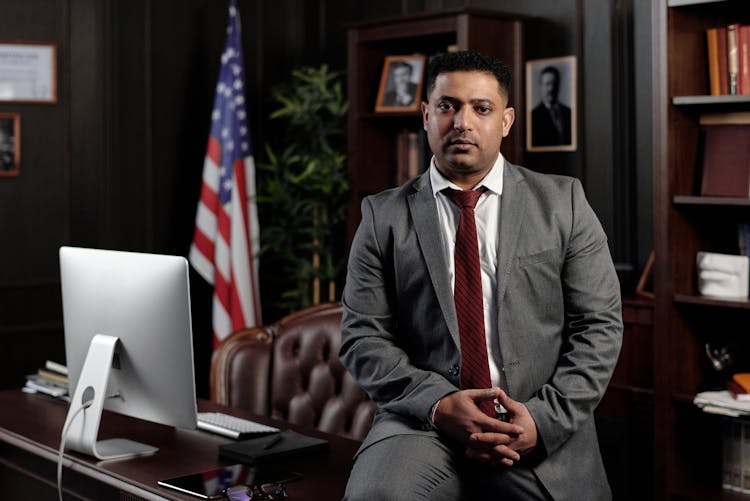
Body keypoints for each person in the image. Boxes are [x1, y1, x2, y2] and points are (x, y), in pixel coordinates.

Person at [340, 50, 622, 500]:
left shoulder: (564, 204)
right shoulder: (382, 217)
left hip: (533, 421)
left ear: (506, 121)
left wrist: (542, 419)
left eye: (481, 108)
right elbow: (362, 337)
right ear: (426, 115)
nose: (462, 122)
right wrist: (438, 404)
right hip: (423, 423)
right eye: (448, 106)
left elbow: (600, 328)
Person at [531, 65, 572, 147]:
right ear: (541, 86)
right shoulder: (533, 116)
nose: (551, 88)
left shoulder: (568, 112)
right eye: (547, 84)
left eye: (554, 84)